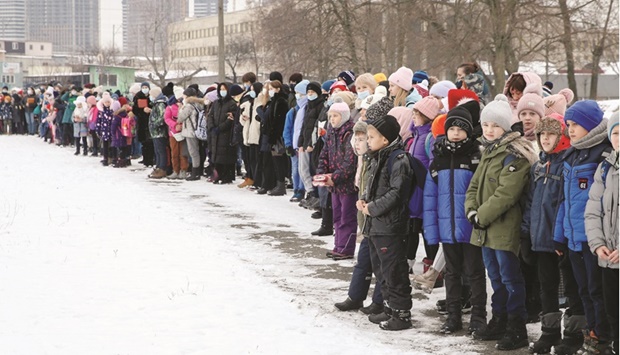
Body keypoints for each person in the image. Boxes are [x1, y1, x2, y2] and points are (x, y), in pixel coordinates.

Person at [466, 94, 537, 350]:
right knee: (494, 277)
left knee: (510, 278)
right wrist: (471, 212)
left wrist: (481, 216)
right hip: (484, 229)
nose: (489, 129)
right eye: (486, 125)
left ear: (506, 127)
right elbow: (474, 186)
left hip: (503, 227)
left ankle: (516, 327)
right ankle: (499, 318)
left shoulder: (514, 155)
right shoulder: (488, 151)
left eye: (495, 125)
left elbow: (506, 194)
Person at [554, 100, 613, 354]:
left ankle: (602, 335)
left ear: (590, 125)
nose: (570, 129)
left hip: (594, 238)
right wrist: (559, 236)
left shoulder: (603, 153)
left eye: (575, 124)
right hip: (573, 237)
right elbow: (564, 201)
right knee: (582, 290)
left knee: (596, 290)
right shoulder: (572, 153)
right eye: (568, 124)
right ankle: (590, 329)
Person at [522, 113, 583, 354]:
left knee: (571, 287)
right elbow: (530, 202)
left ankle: (574, 333)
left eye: (551, 134)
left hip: (562, 239)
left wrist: (565, 236)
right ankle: (549, 333)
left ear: (562, 137)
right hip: (540, 239)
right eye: (542, 134)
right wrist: (526, 234)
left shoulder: (567, 163)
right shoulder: (538, 165)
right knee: (546, 287)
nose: (545, 139)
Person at [423, 106, 487, 335]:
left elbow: (481, 192)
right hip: (447, 228)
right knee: (451, 273)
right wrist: (432, 232)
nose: (456, 133)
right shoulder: (438, 160)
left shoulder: (475, 157)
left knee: (475, 272)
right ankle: (453, 316)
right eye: (452, 128)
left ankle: (479, 317)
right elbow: (429, 199)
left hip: (470, 227)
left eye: (461, 129)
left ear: (469, 132)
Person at [359, 114, 413, 331]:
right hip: (376, 225)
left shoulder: (398, 159)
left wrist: (372, 208)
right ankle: (389, 308)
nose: (368, 141)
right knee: (381, 270)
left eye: (372, 137)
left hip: (390, 225)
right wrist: (364, 199)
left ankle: (402, 313)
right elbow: (371, 185)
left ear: (386, 139)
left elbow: (397, 192)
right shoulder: (375, 157)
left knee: (394, 271)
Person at [334, 120, 384, 314]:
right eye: (358, 139)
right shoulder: (366, 160)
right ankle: (355, 297)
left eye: (365, 139)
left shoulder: (379, 158)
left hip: (378, 217)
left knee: (379, 263)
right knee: (363, 260)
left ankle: (379, 301)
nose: (359, 143)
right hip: (365, 217)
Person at [585, 112, 619, 355]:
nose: (619, 138)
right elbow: (592, 212)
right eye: (615, 133)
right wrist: (598, 245)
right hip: (608, 259)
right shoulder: (605, 168)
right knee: (613, 312)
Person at [316, 97, 357, 260]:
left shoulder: (349, 133)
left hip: (346, 184)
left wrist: (336, 177)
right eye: (330, 116)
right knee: (337, 216)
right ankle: (338, 245)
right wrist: (322, 172)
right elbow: (324, 154)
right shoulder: (331, 132)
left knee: (347, 217)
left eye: (336, 116)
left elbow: (350, 161)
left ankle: (346, 248)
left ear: (344, 116)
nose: (332, 119)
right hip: (334, 184)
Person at [408, 96, 441, 276]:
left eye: (417, 113)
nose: (413, 116)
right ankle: (408, 261)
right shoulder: (416, 135)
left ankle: (433, 268)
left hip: (424, 191)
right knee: (412, 227)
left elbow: (431, 164)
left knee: (427, 230)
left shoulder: (429, 137)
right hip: (414, 191)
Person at [297, 81, 325, 207]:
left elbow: (316, 127)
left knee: (313, 169)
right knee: (304, 169)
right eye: (308, 92)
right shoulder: (308, 106)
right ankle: (311, 193)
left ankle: (317, 196)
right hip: (306, 141)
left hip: (314, 143)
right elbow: (304, 126)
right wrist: (301, 142)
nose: (310, 94)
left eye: (312, 92)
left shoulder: (320, 106)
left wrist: (310, 143)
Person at [207, 82, 239, 184]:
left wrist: (220, 128)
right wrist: (212, 127)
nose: (222, 91)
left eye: (224, 89)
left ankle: (226, 176)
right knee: (216, 155)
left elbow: (230, 119)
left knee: (226, 156)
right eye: (221, 89)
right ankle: (217, 175)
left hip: (225, 134)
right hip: (215, 133)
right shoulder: (216, 102)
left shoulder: (232, 103)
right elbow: (210, 115)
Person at [284, 80, 308, 201]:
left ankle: (303, 189)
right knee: (295, 170)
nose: (298, 96)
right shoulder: (293, 112)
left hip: (303, 145)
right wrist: (288, 144)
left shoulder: (307, 110)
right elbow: (287, 130)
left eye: (300, 93)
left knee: (304, 169)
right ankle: (297, 190)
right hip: (294, 146)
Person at [265, 80, 289, 196]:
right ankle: (279, 183)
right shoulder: (274, 101)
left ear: (278, 89)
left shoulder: (281, 102)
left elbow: (278, 121)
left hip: (277, 137)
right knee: (276, 161)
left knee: (279, 160)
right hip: (274, 135)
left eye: (271, 89)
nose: (270, 91)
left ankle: (281, 184)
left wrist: (273, 136)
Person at [178, 87, 204, 181]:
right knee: (197, 151)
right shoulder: (198, 104)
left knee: (193, 152)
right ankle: (197, 171)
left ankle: (195, 173)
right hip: (197, 130)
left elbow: (180, 117)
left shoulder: (188, 106)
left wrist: (181, 107)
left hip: (190, 131)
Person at [164, 87, 189, 179]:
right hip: (173, 134)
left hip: (184, 132)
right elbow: (167, 118)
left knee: (183, 152)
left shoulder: (186, 106)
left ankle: (183, 170)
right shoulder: (170, 107)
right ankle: (175, 170)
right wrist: (175, 125)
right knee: (174, 153)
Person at [147, 86, 168, 179]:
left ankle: (162, 168)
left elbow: (162, 117)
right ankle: (158, 166)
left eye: (151, 95)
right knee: (157, 151)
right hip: (155, 132)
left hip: (159, 132)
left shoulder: (160, 104)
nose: (150, 97)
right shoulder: (155, 104)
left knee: (161, 150)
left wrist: (154, 124)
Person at [133, 82, 154, 166]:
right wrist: (142, 111)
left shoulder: (152, 96)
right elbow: (134, 109)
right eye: (143, 87)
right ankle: (146, 160)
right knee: (144, 142)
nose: (145, 88)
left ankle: (151, 159)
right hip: (142, 122)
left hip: (150, 120)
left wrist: (150, 109)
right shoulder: (138, 96)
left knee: (150, 142)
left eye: (146, 87)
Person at [96, 93, 114, 166]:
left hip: (111, 130)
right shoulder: (101, 111)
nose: (107, 103)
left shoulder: (112, 110)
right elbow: (98, 121)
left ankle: (112, 157)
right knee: (105, 145)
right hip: (104, 130)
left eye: (108, 102)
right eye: (106, 102)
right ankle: (105, 158)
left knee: (112, 145)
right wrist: (98, 129)